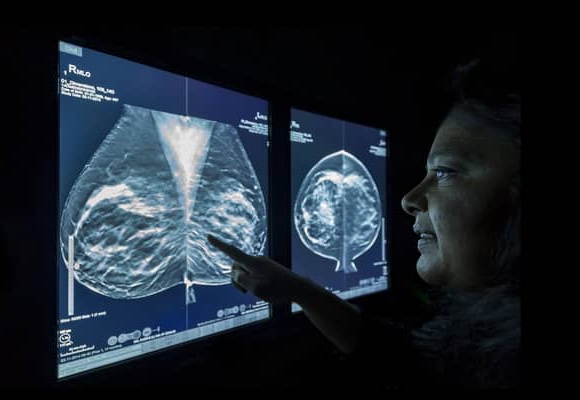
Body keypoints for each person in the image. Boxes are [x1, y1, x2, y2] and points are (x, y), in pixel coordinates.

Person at [207, 56, 520, 388]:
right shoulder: (491, 340)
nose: (409, 200)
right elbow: (417, 362)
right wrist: (300, 291)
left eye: (445, 172)